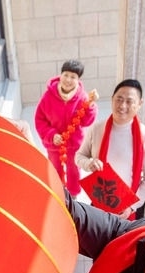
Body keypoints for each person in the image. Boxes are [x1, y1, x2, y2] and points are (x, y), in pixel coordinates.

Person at [75, 79, 145, 219]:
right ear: (112, 99)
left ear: (139, 104)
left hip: (130, 206)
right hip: (100, 199)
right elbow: (79, 156)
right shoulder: (97, 129)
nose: (122, 105)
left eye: (129, 101)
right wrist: (89, 164)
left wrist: (131, 207)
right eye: (119, 99)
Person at [35, 60, 98, 196]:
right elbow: (39, 120)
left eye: (73, 77)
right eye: (66, 75)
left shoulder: (82, 97)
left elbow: (86, 121)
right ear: (61, 75)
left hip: (74, 145)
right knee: (55, 169)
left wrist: (90, 105)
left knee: (74, 171)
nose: (68, 80)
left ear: (78, 79)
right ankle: (57, 194)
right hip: (55, 145)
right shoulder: (47, 96)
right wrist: (51, 135)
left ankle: (73, 195)